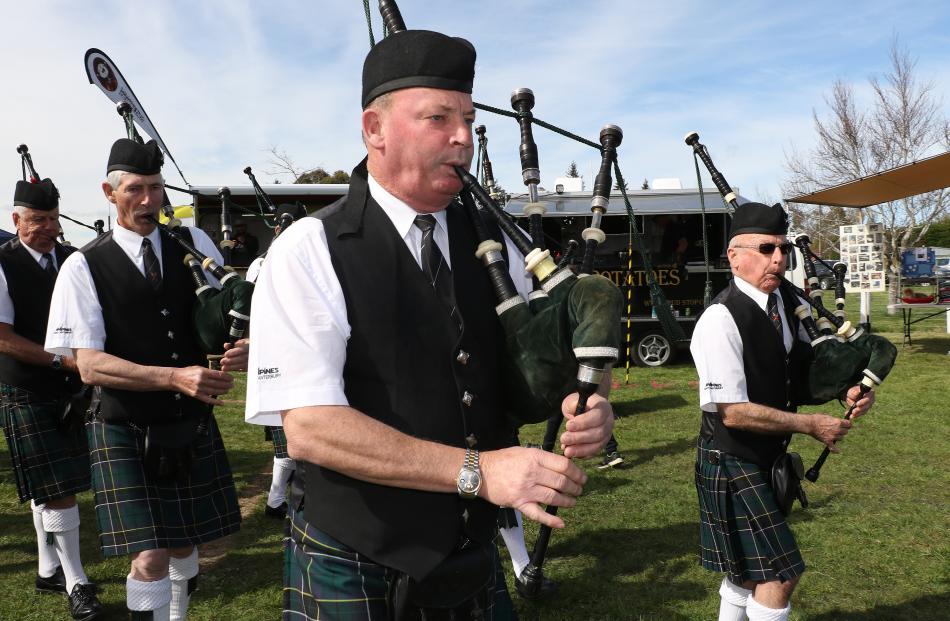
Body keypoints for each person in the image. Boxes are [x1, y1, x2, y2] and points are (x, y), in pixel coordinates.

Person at [246, 28, 614, 621]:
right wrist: (480, 471)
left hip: (469, 553)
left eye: (468, 118)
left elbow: (551, 361)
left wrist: (591, 403)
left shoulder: (497, 246)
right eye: (438, 118)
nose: (463, 138)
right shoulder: (310, 248)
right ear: (375, 130)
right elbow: (310, 428)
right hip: (356, 552)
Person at [45, 138, 247, 621]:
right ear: (109, 193)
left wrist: (239, 344)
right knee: (151, 555)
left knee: (184, 546)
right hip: (124, 422)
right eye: (135, 189)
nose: (149, 201)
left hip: (188, 419)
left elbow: (218, 318)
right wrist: (175, 376)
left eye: (156, 188)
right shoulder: (83, 265)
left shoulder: (192, 243)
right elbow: (89, 365)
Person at [690, 201, 875, 621]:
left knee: (745, 574)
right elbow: (732, 412)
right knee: (779, 573)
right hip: (731, 458)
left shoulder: (783, 308)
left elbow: (798, 375)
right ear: (734, 256)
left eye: (782, 249)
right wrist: (810, 425)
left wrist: (846, 391)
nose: (778, 258)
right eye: (765, 248)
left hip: (766, 456)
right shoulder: (720, 319)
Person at [1, 176, 102, 620]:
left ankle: (47, 568)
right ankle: (77, 580)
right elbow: (3, 339)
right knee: (58, 488)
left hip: (73, 387)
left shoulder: (73, 259)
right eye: (38, 219)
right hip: (25, 386)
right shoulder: (2, 263)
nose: (47, 228)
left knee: (51, 485)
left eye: (54, 219)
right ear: (15, 219)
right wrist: (65, 363)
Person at [245, 203, 308, 518]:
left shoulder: (260, 262)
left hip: (285, 355)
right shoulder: (265, 263)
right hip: (279, 356)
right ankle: (275, 502)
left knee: (294, 439)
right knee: (289, 441)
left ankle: (278, 500)